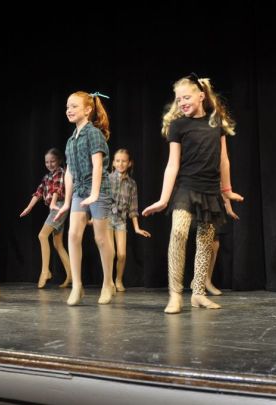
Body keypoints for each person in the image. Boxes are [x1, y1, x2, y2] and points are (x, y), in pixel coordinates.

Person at [142, 74, 243, 314]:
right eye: (178, 99)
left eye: (186, 97)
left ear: (201, 96)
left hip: (210, 189)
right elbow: (172, 164)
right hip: (186, 188)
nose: (182, 103)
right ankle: (175, 294)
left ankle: (198, 293)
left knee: (205, 241)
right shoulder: (178, 126)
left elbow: (224, 160)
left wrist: (227, 191)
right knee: (178, 232)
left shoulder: (215, 123)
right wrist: (164, 199)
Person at [53, 91, 116, 306]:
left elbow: (98, 165)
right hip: (80, 191)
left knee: (101, 238)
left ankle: (108, 283)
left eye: (74, 106)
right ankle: (77, 286)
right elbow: (69, 172)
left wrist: (95, 194)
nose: (69, 110)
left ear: (88, 110)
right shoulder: (71, 140)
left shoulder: (93, 133)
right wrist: (67, 202)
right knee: (73, 235)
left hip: (98, 189)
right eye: (67, 107)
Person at [20, 148, 72, 289]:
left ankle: (45, 271)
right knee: (58, 244)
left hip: (59, 206)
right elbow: (39, 192)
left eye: (52, 161)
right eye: (47, 162)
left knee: (42, 235)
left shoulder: (60, 172)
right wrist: (29, 207)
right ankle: (71, 275)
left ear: (59, 161)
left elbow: (57, 189)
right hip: (54, 208)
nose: (50, 164)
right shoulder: (47, 176)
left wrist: (53, 203)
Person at [108, 148, 151, 292]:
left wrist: (137, 228)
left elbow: (133, 208)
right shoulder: (107, 179)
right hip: (107, 218)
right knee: (110, 253)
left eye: (124, 161)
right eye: (118, 161)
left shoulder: (132, 184)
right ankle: (108, 282)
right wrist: (93, 218)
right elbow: (100, 200)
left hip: (121, 220)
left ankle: (118, 279)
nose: (121, 164)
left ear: (129, 163)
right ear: (113, 163)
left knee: (122, 254)